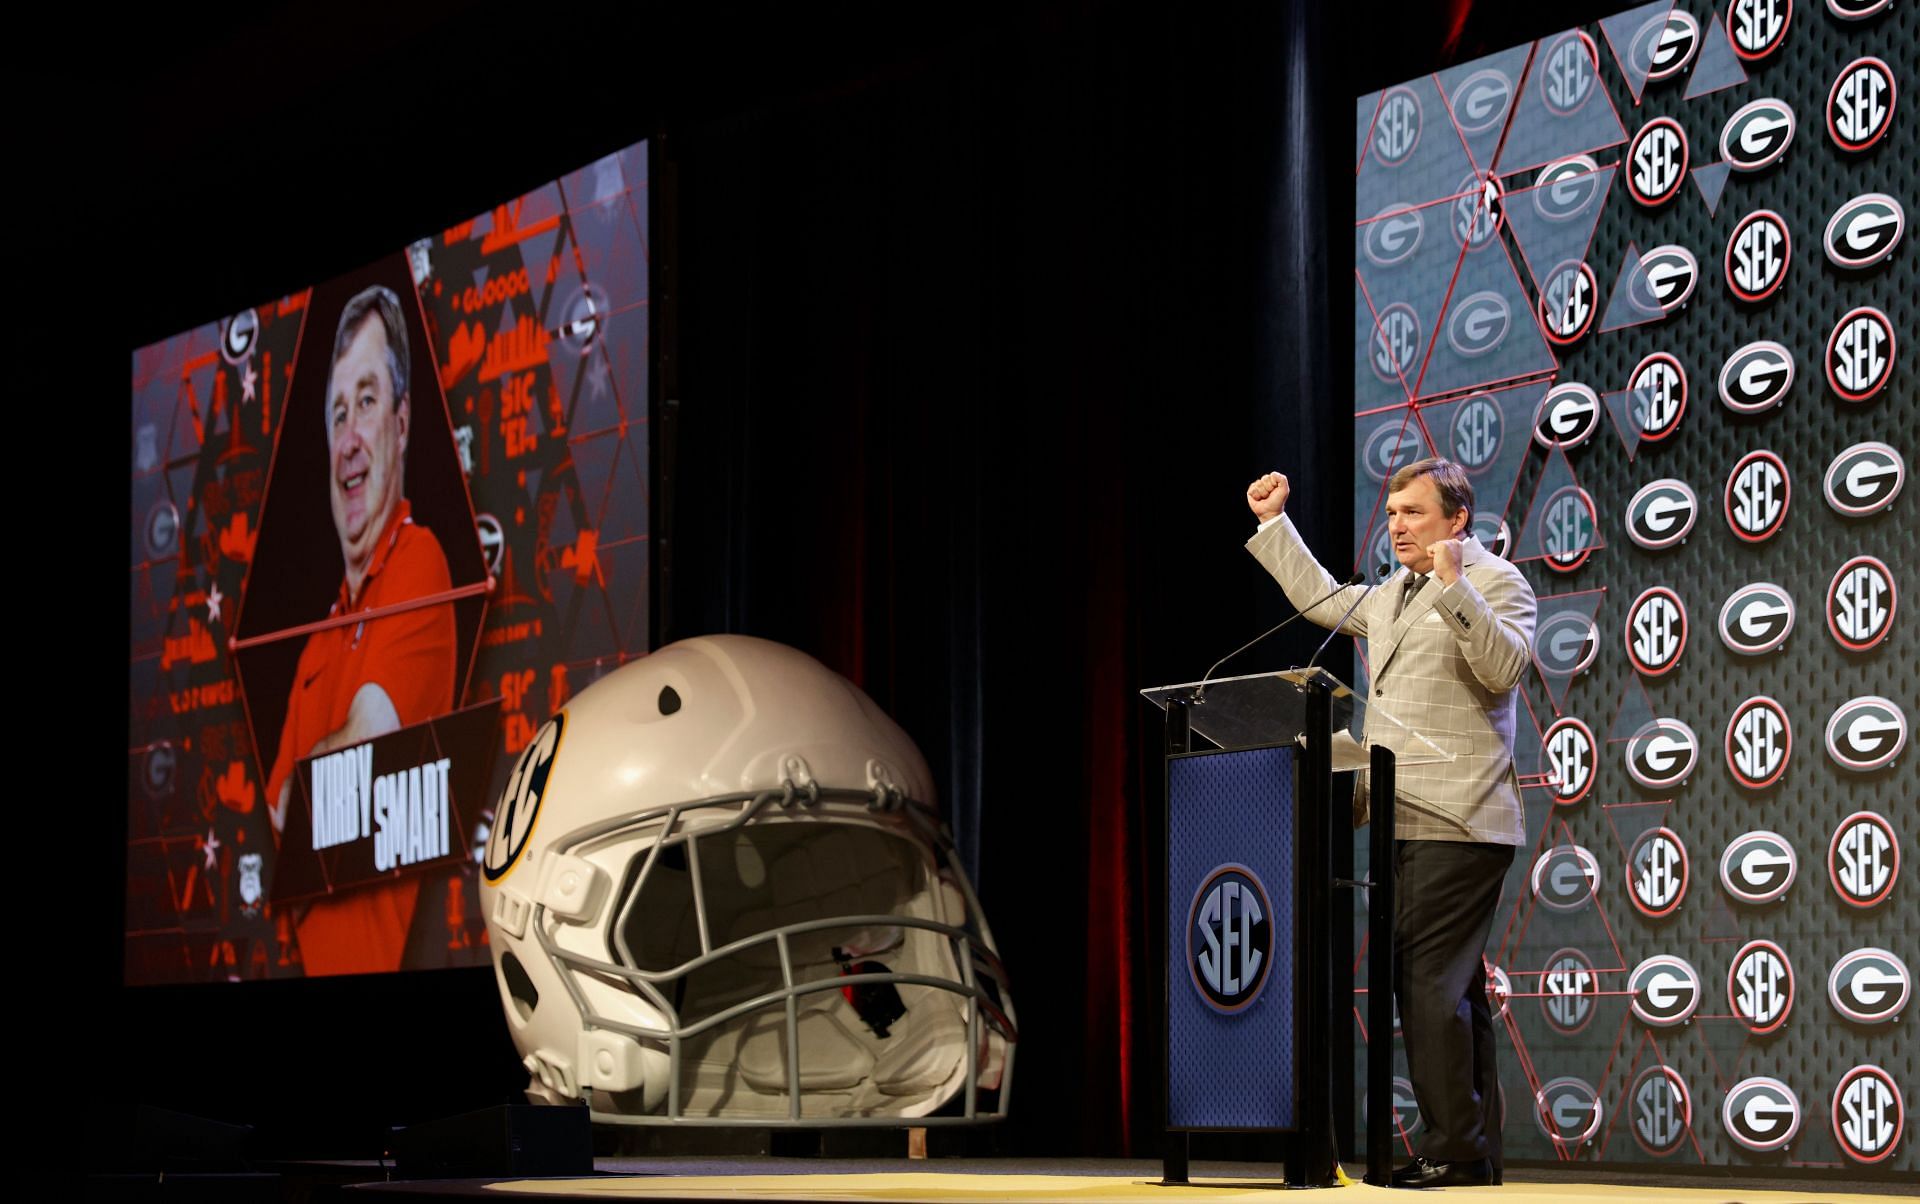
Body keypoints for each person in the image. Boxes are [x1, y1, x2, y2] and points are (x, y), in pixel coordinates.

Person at [1244, 457, 1534, 1189]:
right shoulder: (1390, 596)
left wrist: (1453, 584)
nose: (1397, 525)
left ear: (1456, 520)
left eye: (1414, 512)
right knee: (1452, 989)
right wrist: (1274, 522)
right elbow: (1322, 598)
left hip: (1461, 812)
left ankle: (1455, 1150)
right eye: (1394, 512)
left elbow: (1502, 670)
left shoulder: (1496, 581)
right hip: (1403, 810)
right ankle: (1473, 1150)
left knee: (1428, 984)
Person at [263, 284, 457, 976]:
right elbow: (279, 821)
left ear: (401, 425)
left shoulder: (420, 565)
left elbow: (351, 764)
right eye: (336, 413)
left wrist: (303, 787)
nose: (347, 440)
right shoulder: (317, 641)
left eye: (366, 402)